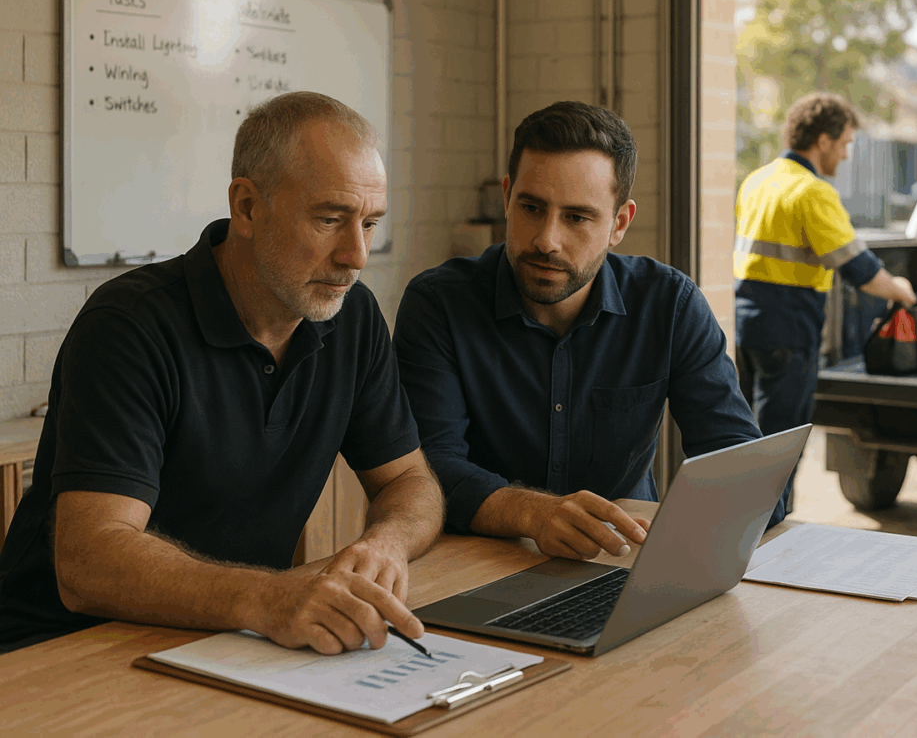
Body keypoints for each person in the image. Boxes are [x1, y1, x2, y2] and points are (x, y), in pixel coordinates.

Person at [0, 92, 444, 654]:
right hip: (63, 647)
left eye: (370, 223)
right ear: (247, 207)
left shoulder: (351, 317)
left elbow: (411, 483)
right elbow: (89, 560)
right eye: (330, 219)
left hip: (227, 640)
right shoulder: (129, 325)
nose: (356, 256)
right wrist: (268, 599)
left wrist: (387, 543)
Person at [393, 100, 772, 560]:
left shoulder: (669, 305)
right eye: (531, 207)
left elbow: (736, 461)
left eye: (576, 217)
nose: (546, 240)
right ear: (508, 196)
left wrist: (740, 501)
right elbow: (428, 471)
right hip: (481, 558)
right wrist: (535, 514)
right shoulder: (438, 304)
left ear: (619, 224)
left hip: (621, 558)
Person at [734, 92, 917, 512]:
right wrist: (902, 290)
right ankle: (769, 536)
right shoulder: (812, 193)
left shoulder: (758, 180)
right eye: (845, 144)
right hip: (788, 328)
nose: (847, 155)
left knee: (744, 445)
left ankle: (738, 535)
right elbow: (860, 270)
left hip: (745, 327)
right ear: (823, 140)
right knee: (780, 447)